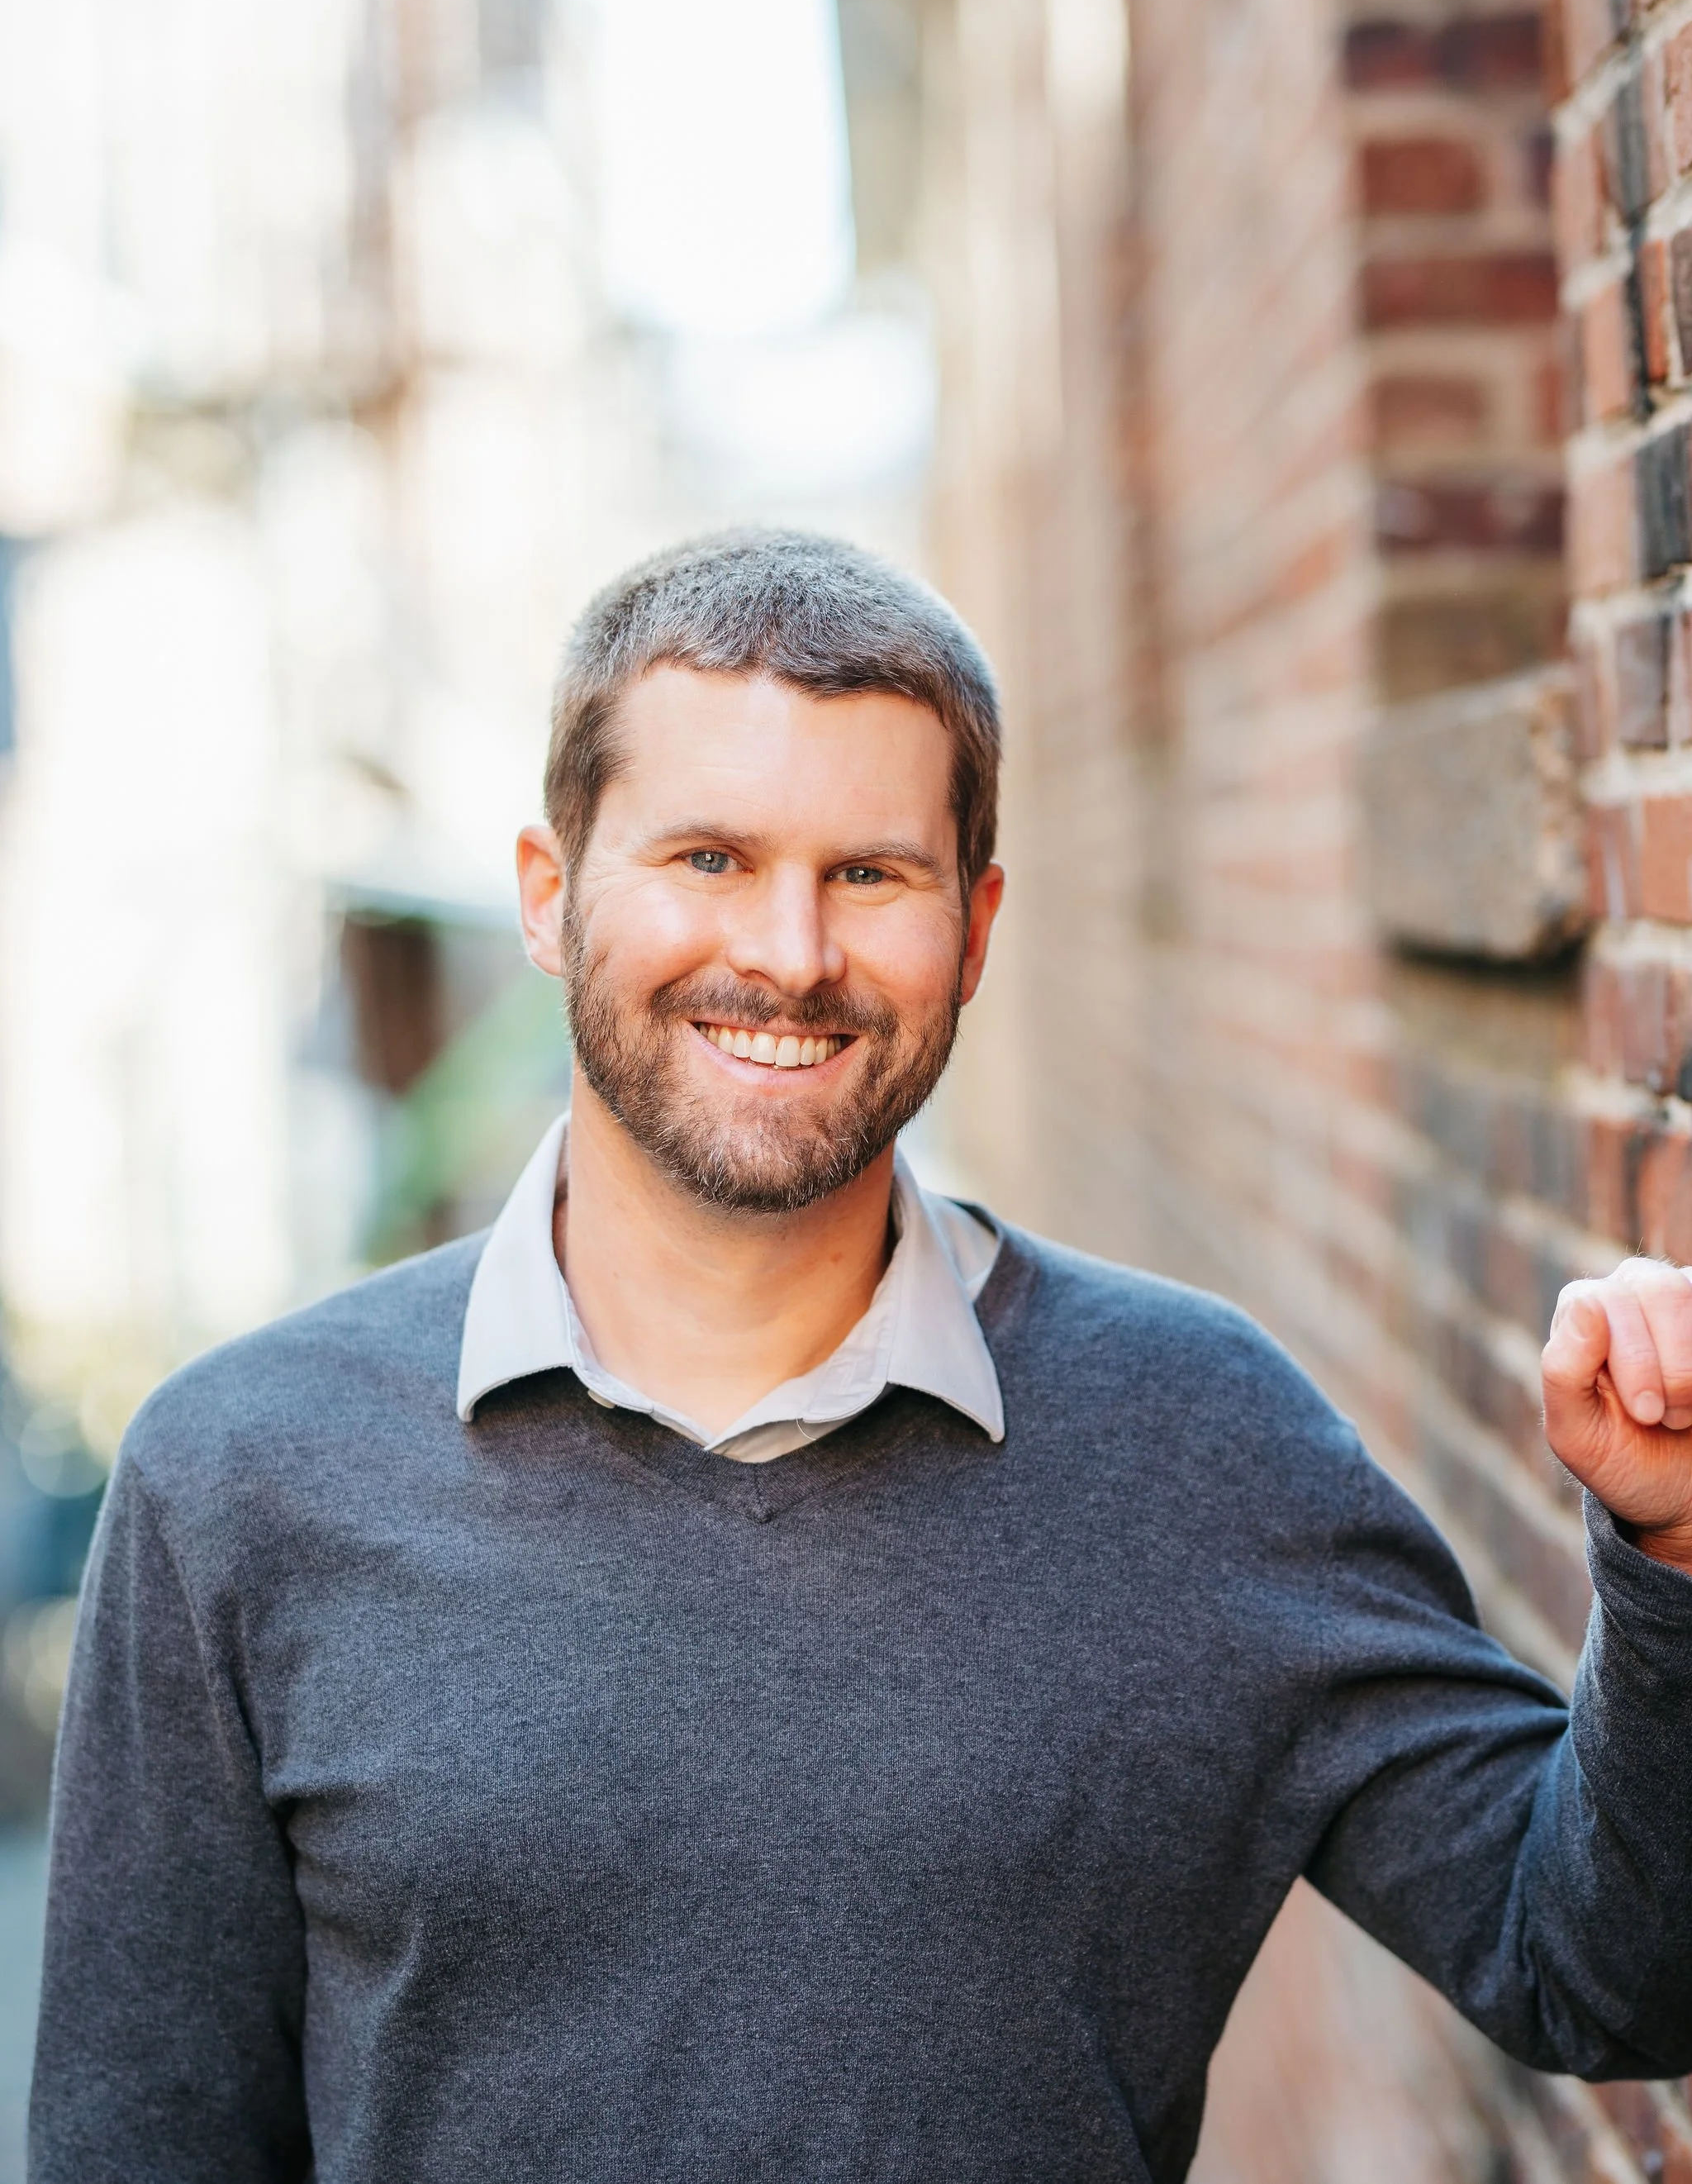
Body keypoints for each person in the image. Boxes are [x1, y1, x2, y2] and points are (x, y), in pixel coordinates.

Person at [29, 528, 1692, 2184]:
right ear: (551, 897)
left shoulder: (1195, 1438)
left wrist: (1672, 1553)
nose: (790, 954)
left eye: (870, 875)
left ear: (972, 928)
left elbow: (1603, 1975)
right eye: (707, 858)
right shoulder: (236, 1479)